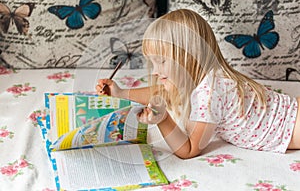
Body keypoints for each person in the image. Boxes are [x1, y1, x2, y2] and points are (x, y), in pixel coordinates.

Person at [96, 9, 300, 159]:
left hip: (294, 128)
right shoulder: (201, 77)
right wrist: (120, 92)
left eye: (162, 61)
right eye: (153, 63)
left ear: (189, 57)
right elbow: (162, 93)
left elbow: (190, 149)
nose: (156, 71)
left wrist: (163, 119)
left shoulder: (210, 93)